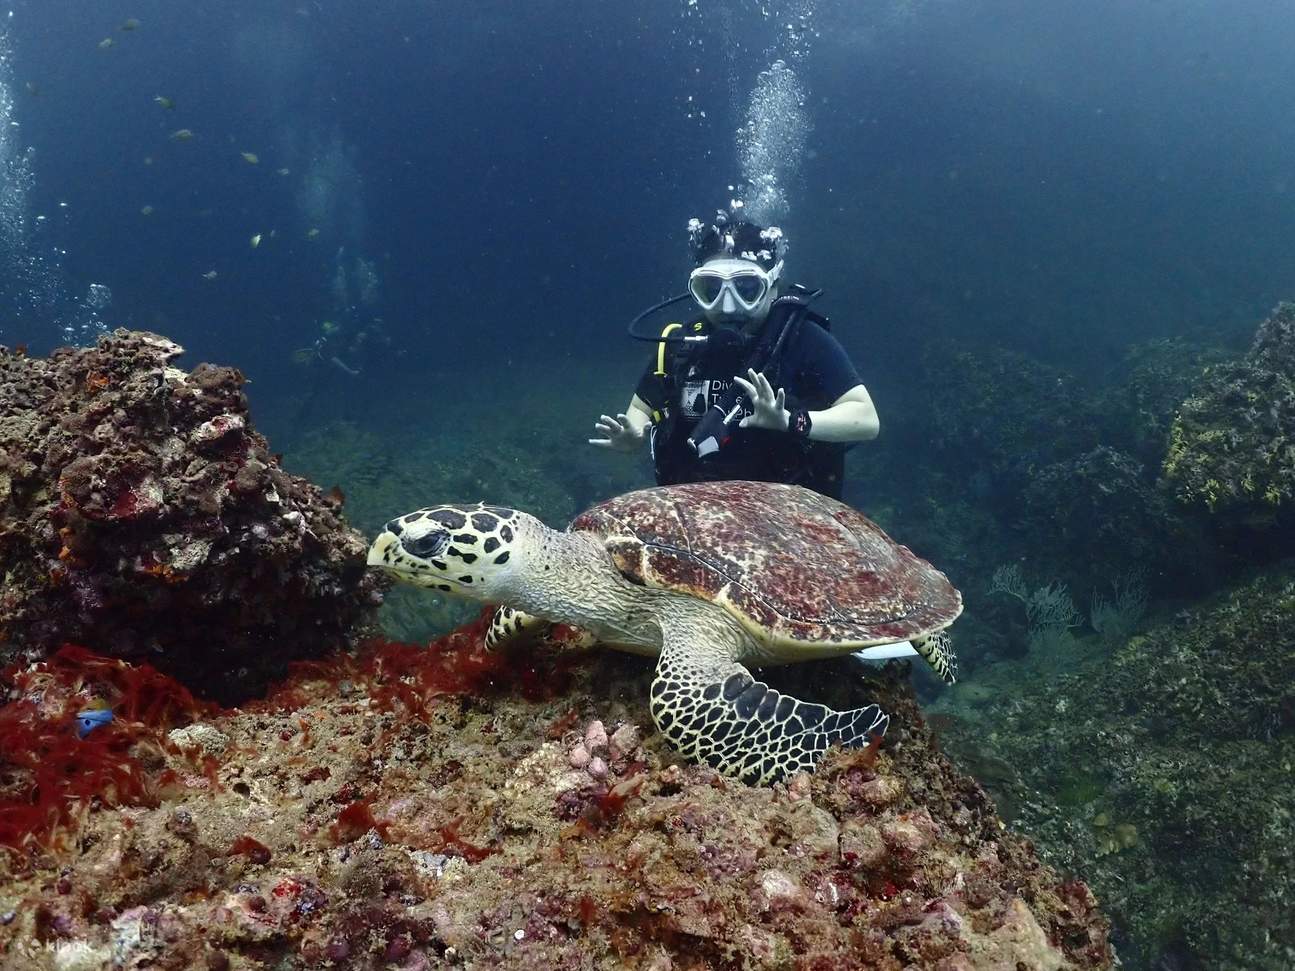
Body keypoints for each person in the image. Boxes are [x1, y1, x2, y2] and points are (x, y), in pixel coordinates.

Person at [589, 215, 879, 499]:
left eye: (747, 289)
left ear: (773, 286)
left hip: (790, 519)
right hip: (691, 512)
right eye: (712, 290)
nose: (727, 306)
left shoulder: (803, 340)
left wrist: (791, 421)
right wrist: (633, 435)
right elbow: (640, 409)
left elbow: (866, 419)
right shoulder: (682, 345)